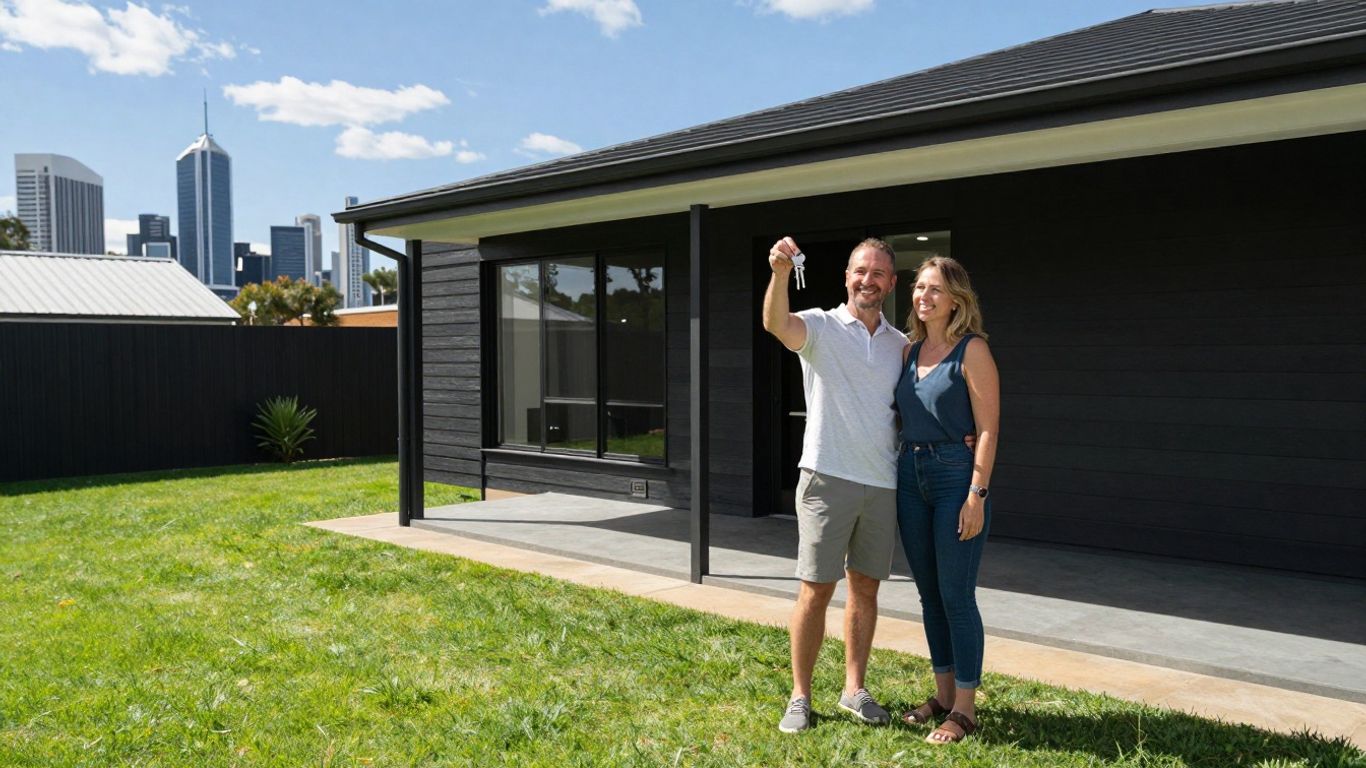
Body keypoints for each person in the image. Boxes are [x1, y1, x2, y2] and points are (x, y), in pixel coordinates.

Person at [762, 235, 907, 734]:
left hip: (881, 483)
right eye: (859, 271)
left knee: (865, 590)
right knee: (815, 590)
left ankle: (853, 689)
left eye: (878, 273)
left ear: (891, 282)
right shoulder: (822, 326)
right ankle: (800, 696)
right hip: (827, 478)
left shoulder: (900, 345)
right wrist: (780, 273)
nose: (868, 280)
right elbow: (775, 324)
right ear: (847, 276)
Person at [894, 256, 1000, 745]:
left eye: (935, 289)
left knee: (957, 595)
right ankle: (941, 695)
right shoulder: (910, 351)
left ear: (956, 299)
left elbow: (988, 430)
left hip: (956, 478)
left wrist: (977, 493)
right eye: (919, 287)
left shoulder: (971, 350)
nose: (924, 296)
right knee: (929, 594)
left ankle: (965, 709)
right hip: (909, 475)